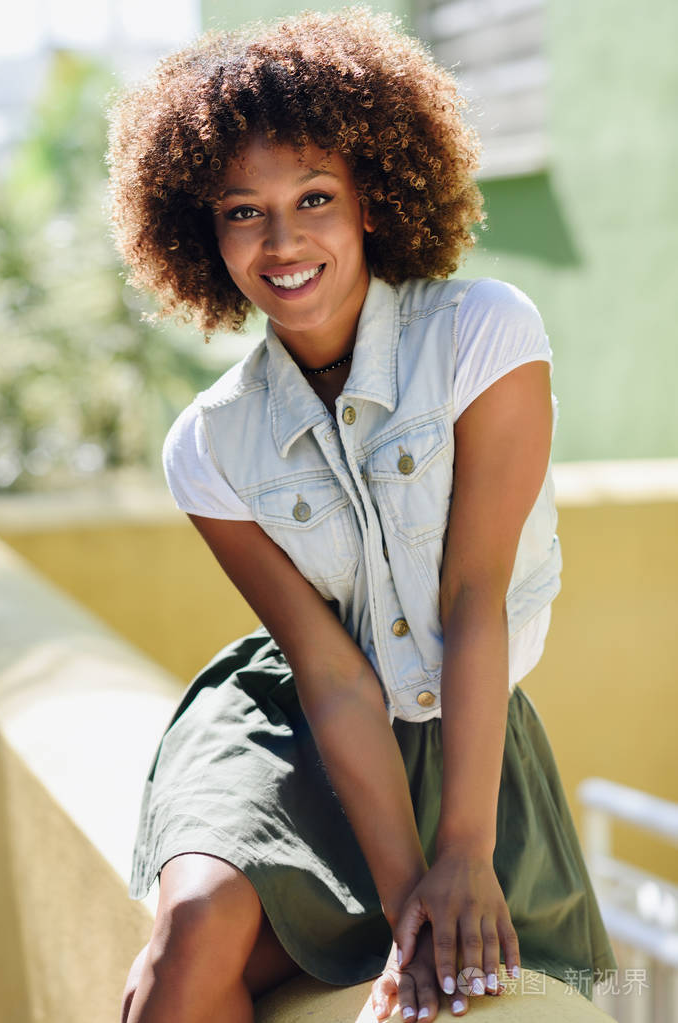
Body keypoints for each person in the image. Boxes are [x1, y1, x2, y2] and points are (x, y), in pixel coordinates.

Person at [107, 8, 617, 1023]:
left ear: (373, 199)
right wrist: (405, 906)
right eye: (241, 211)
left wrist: (461, 855)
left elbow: (474, 596)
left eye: (313, 198)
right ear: (201, 232)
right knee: (190, 946)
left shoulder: (483, 336)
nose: (283, 241)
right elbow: (329, 673)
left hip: (452, 725)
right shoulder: (207, 446)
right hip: (287, 725)